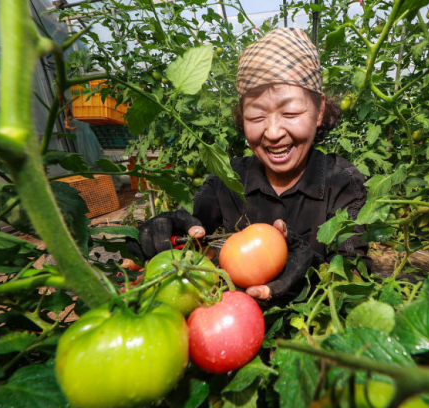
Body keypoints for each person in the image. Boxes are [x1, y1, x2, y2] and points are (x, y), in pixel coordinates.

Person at [126, 28, 368, 303]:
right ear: (242, 117)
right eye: (256, 115)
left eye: (290, 113)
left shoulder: (342, 183)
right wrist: (163, 232)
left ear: (319, 111)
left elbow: (354, 275)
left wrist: (310, 267)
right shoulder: (228, 179)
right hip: (229, 326)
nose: (274, 132)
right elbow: (190, 222)